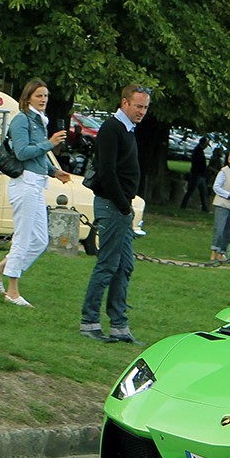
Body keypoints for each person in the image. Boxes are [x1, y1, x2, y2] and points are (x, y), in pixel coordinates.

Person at [0, 79, 72, 307]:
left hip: (36, 183)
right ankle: (12, 290)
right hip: (24, 183)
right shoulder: (22, 120)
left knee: (40, 240)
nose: (43, 100)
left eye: (46, 96)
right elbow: (22, 153)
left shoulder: (39, 121)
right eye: (39, 96)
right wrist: (50, 143)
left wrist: (54, 172)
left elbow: (38, 157)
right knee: (23, 238)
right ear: (28, 98)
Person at [80, 84, 149, 344]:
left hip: (121, 205)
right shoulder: (112, 128)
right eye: (138, 106)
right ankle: (89, 322)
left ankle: (119, 325)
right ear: (124, 103)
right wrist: (123, 205)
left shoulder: (128, 130)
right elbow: (106, 172)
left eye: (145, 107)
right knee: (108, 264)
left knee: (124, 266)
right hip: (112, 205)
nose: (142, 111)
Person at [179, 138, 211, 211]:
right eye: (206, 144)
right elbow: (199, 163)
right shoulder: (198, 151)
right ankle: (183, 205)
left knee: (203, 192)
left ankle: (205, 208)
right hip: (197, 174)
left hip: (199, 174)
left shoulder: (198, 150)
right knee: (192, 190)